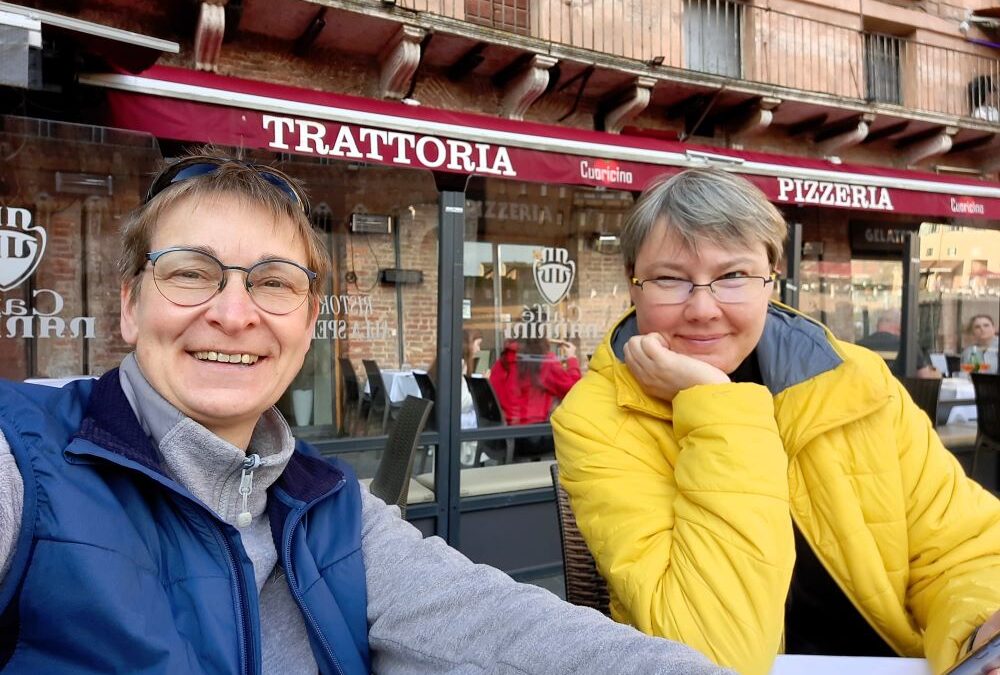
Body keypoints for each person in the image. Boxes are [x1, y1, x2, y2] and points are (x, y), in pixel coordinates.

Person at [0, 154, 735, 674]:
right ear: (130, 303)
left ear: (309, 317)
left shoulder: (330, 509)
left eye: (273, 282)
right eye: (190, 273)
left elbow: (506, 627)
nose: (233, 313)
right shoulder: (22, 460)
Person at [551, 167, 1000, 675]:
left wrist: (981, 632)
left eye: (733, 276)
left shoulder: (856, 380)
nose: (703, 308)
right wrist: (715, 404)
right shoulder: (597, 418)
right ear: (633, 284)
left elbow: (962, 550)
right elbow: (709, 655)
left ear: (772, 277)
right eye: (670, 278)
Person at [856, 309, 938, 378]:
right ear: (899, 326)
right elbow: (924, 377)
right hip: (897, 395)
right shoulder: (909, 346)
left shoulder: (858, 346)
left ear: (878, 324)